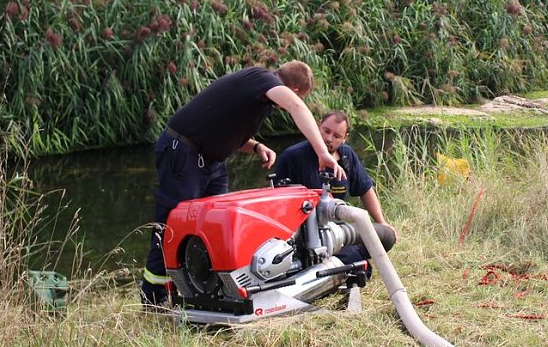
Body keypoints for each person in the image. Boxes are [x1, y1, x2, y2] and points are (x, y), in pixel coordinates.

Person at [140, 61, 345, 307]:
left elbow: (224, 127)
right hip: (184, 153)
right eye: (297, 96)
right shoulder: (262, 79)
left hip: (211, 161)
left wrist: (256, 147)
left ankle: (210, 294)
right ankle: (154, 297)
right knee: (172, 227)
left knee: (217, 228)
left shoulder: (259, 97)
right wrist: (322, 152)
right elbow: (296, 106)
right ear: (294, 90)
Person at [274, 110, 397, 267]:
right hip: (303, 237)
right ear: (318, 126)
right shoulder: (293, 156)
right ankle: (335, 265)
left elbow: (365, 190)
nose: (328, 138)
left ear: (345, 138)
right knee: (360, 267)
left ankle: (341, 263)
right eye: (326, 131)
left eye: (337, 136)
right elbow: (277, 203)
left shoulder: (347, 156)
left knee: (387, 237)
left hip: (336, 232)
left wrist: (382, 222)